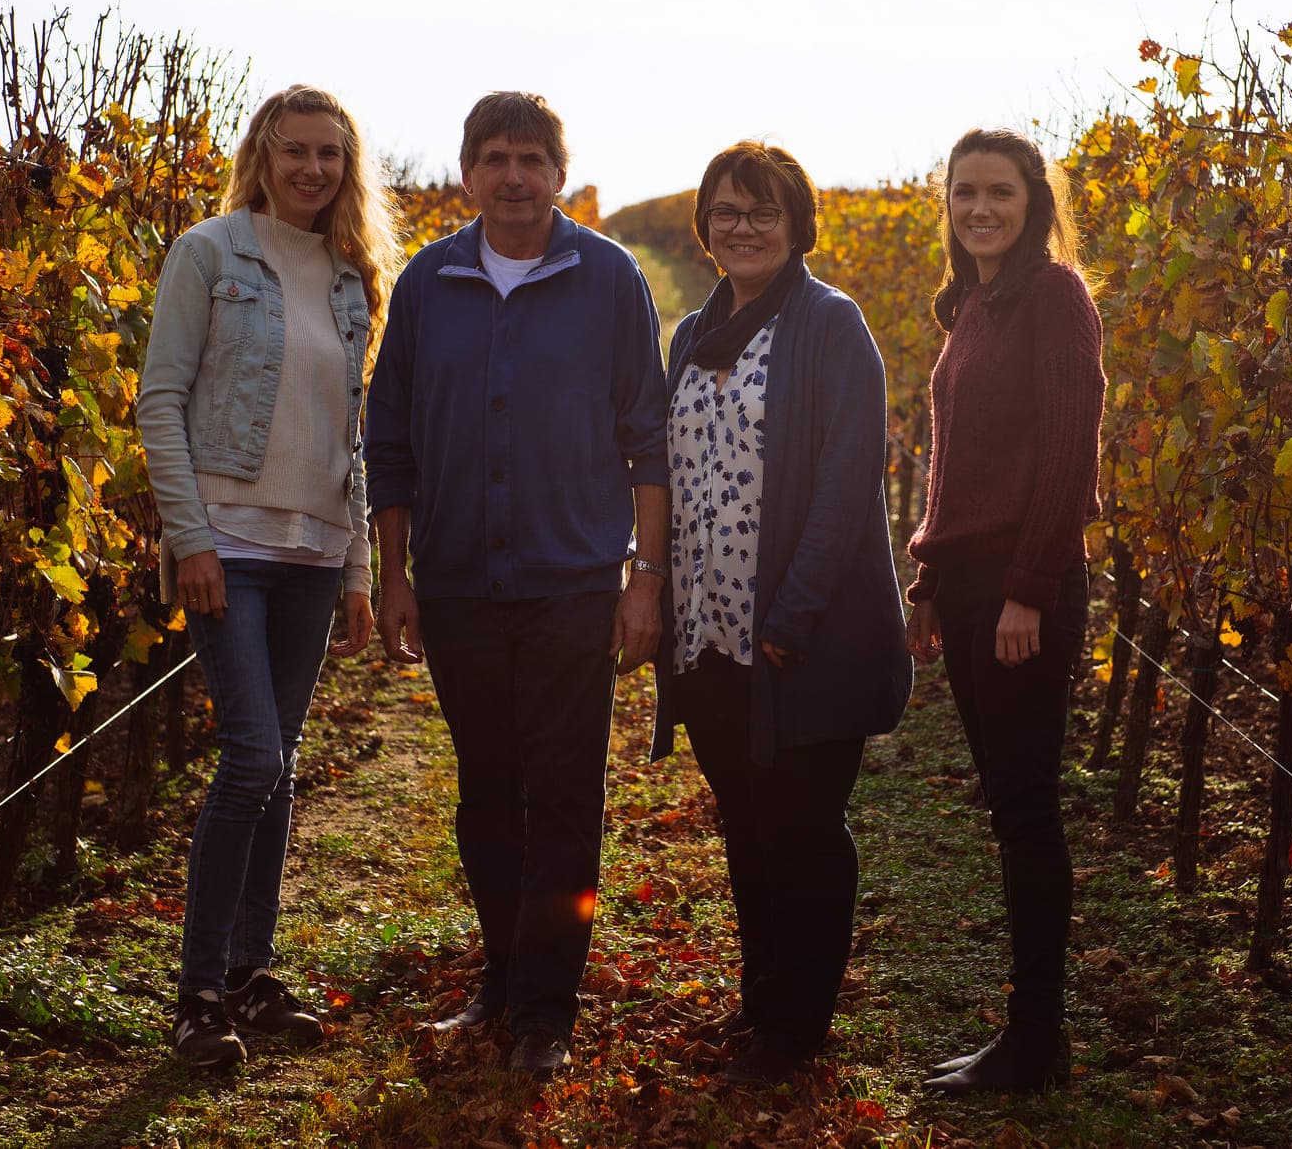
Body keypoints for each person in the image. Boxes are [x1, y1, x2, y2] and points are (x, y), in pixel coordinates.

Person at [364, 92, 670, 1078]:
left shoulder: (609, 278)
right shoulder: (428, 282)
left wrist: (645, 578)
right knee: (487, 792)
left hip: (572, 586)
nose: (512, 176)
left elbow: (648, 439)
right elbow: (389, 439)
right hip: (458, 587)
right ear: (468, 174)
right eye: (494, 157)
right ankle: (500, 978)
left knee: (564, 795)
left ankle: (546, 1009)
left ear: (558, 174)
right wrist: (393, 575)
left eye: (531, 158)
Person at [136, 84, 401, 1070]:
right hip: (229, 548)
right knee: (252, 757)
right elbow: (159, 400)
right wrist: (190, 538)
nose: (311, 168)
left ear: (347, 168)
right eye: (294, 150)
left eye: (330, 153)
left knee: (278, 764)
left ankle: (250, 971)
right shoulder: (209, 253)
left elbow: (352, 436)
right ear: (263, 154)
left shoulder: (350, 276)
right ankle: (198, 993)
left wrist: (359, 566)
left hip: (314, 557)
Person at [651, 141, 911, 1086]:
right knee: (748, 825)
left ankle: (798, 1027)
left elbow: (848, 480)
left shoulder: (830, 324)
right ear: (704, 227)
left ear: (798, 223)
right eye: (726, 211)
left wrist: (793, 616)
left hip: (804, 637)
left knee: (804, 828)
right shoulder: (691, 334)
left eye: (764, 211)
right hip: (708, 633)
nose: (744, 227)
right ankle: (763, 1000)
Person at [905, 128, 1106, 1093]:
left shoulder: (1054, 297)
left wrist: (1028, 587)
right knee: (1010, 805)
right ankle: (1028, 1035)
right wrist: (931, 583)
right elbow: (957, 467)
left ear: (1034, 205)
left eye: (1000, 193)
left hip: (1025, 589)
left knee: (1026, 812)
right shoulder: (974, 305)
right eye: (965, 193)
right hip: (975, 585)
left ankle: (1036, 1040)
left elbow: (1071, 450)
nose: (979, 208)